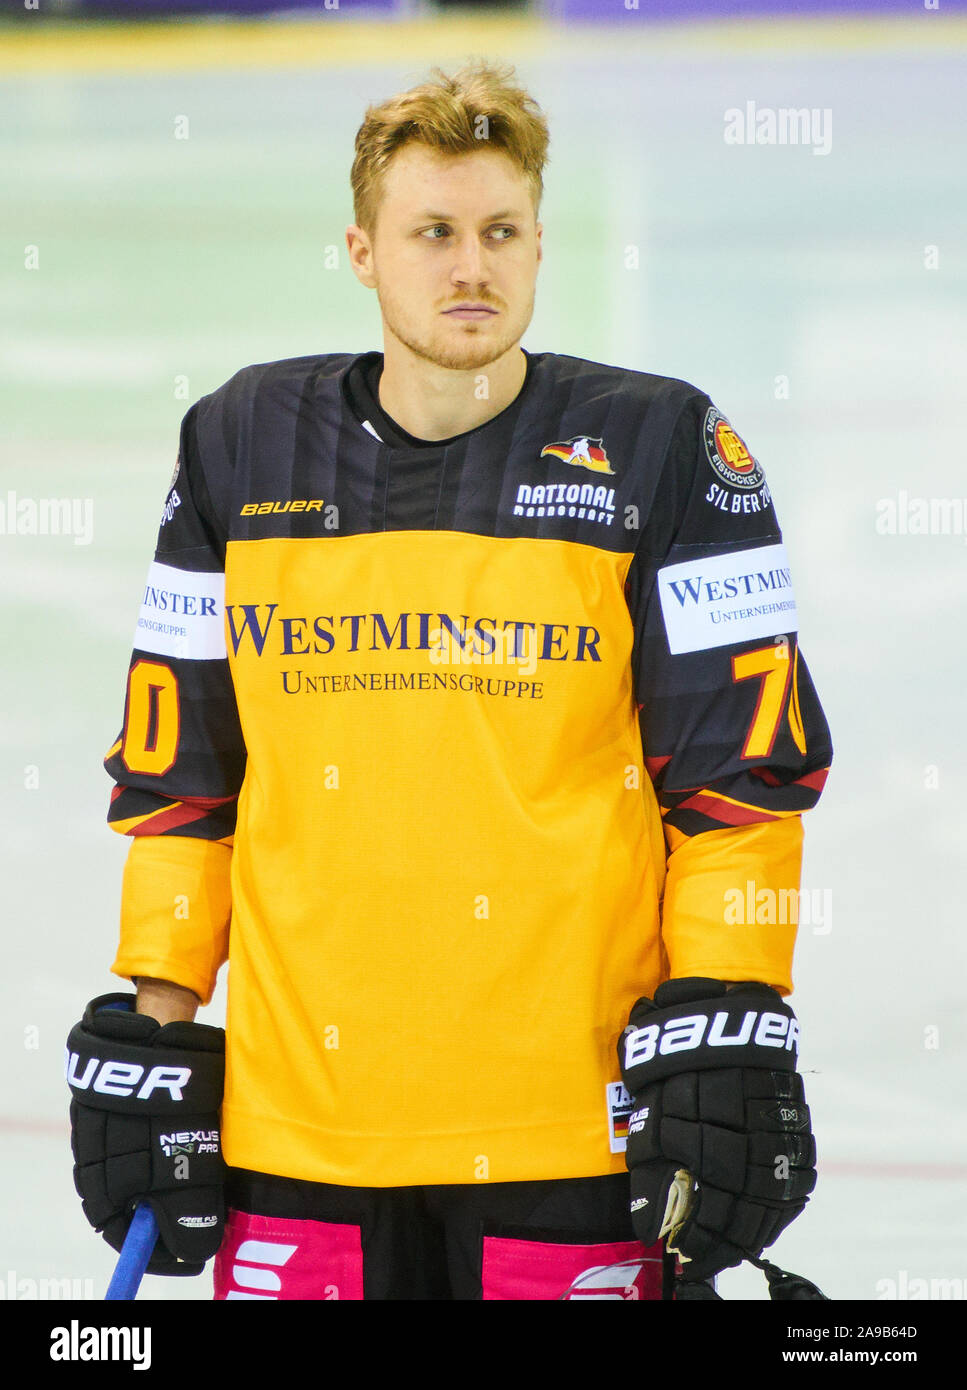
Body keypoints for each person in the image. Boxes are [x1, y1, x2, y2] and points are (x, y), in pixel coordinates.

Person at [66, 61, 832, 1301]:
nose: (469, 267)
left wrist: (726, 1014)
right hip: (296, 1134)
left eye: (499, 232)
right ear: (364, 249)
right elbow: (182, 780)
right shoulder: (237, 441)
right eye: (434, 232)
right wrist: (158, 1016)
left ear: (538, 243)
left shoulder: (666, 444)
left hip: (573, 1134)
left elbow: (738, 788)